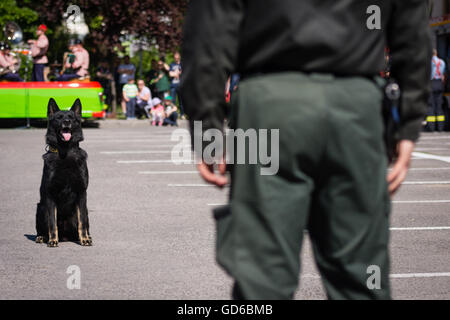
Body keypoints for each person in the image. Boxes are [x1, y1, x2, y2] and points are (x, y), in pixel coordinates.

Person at [180, 0, 430, 300]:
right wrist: (407, 126)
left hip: (269, 104)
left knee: (263, 277)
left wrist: (208, 132)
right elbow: (412, 34)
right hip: (356, 107)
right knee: (361, 276)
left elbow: (207, 35)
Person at [427, 49, 446, 132]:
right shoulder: (442, 62)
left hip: (431, 83)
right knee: (439, 106)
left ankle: (431, 128)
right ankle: (440, 127)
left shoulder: (429, 62)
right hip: (439, 84)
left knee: (431, 106)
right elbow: (443, 75)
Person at [169, 51, 183, 116]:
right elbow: (170, 74)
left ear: (179, 57)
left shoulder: (182, 64)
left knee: (181, 101)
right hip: (173, 85)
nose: (176, 59)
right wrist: (177, 73)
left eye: (177, 57)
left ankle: (182, 114)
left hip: (181, 85)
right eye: (175, 58)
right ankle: (174, 114)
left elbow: (184, 73)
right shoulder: (172, 64)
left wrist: (175, 73)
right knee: (172, 101)